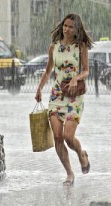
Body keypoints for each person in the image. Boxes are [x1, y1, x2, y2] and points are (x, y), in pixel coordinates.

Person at [35, 13, 93, 186]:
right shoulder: (54, 46)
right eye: (65, 26)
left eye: (71, 27)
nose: (67, 30)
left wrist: (77, 78)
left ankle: (81, 153)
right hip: (57, 95)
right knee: (58, 137)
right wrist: (39, 88)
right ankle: (69, 173)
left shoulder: (80, 46)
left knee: (68, 136)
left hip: (74, 96)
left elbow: (87, 70)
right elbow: (48, 71)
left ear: (77, 29)